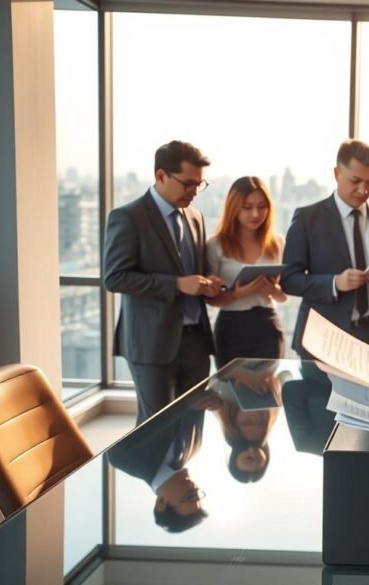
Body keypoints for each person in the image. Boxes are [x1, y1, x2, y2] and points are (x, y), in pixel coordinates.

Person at [104, 140, 224, 422]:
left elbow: (193, 272)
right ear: (161, 176)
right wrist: (177, 284)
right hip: (152, 344)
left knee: (191, 426)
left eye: (200, 185)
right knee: (156, 428)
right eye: (188, 184)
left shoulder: (195, 217)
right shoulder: (128, 217)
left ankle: (183, 469)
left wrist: (208, 283)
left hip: (196, 343)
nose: (195, 192)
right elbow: (115, 278)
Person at [282, 139, 369, 355]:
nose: (364, 189)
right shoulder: (307, 219)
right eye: (356, 180)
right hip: (323, 338)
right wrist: (334, 283)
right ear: (336, 174)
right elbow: (288, 280)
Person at [107, 388, 222, 533]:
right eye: (197, 495)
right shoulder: (195, 447)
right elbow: (199, 399)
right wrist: (212, 401)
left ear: (161, 503)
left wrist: (186, 405)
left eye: (188, 497)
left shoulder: (125, 459)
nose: (194, 490)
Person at [206, 176, 286, 369]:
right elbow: (209, 298)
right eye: (247, 207)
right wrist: (237, 294)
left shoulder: (277, 243)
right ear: (234, 207)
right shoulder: (215, 245)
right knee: (231, 394)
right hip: (231, 328)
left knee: (268, 394)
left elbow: (283, 297)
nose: (256, 214)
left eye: (262, 206)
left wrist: (273, 290)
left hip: (268, 326)